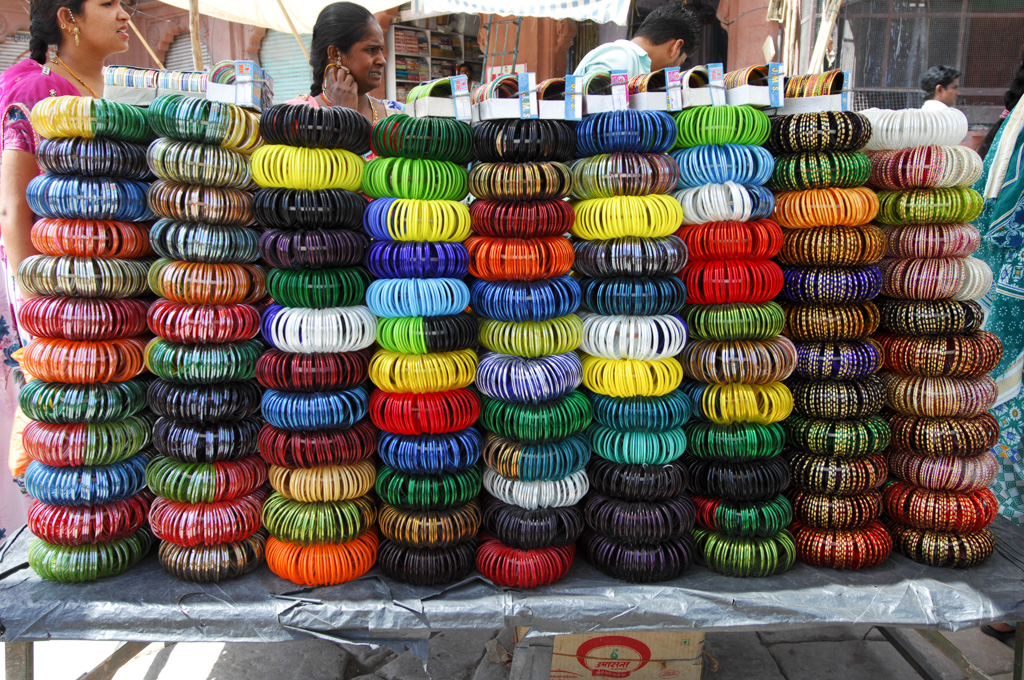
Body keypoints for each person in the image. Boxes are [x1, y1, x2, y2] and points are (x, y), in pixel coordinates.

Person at [0, 0, 133, 547]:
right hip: (59, 295)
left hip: (121, 285)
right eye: (108, 3)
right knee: (69, 414)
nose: (125, 13)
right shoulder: (31, 90)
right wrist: (36, 307)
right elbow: (13, 206)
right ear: (67, 17)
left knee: (117, 408)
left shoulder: (122, 91)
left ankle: (121, 517)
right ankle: (72, 527)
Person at [972, 50, 1024, 644]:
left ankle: (1005, 600)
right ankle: (1008, 597)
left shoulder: (1013, 121)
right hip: (1009, 300)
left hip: (1001, 296)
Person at [288, 2, 401, 123]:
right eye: (371, 50)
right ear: (335, 54)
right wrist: (344, 114)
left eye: (381, 50)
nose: (382, 61)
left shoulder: (397, 115)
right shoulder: (296, 116)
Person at [573, 2, 701, 78]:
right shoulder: (622, 58)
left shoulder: (633, 61)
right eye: (679, 63)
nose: (675, 69)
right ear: (676, 47)